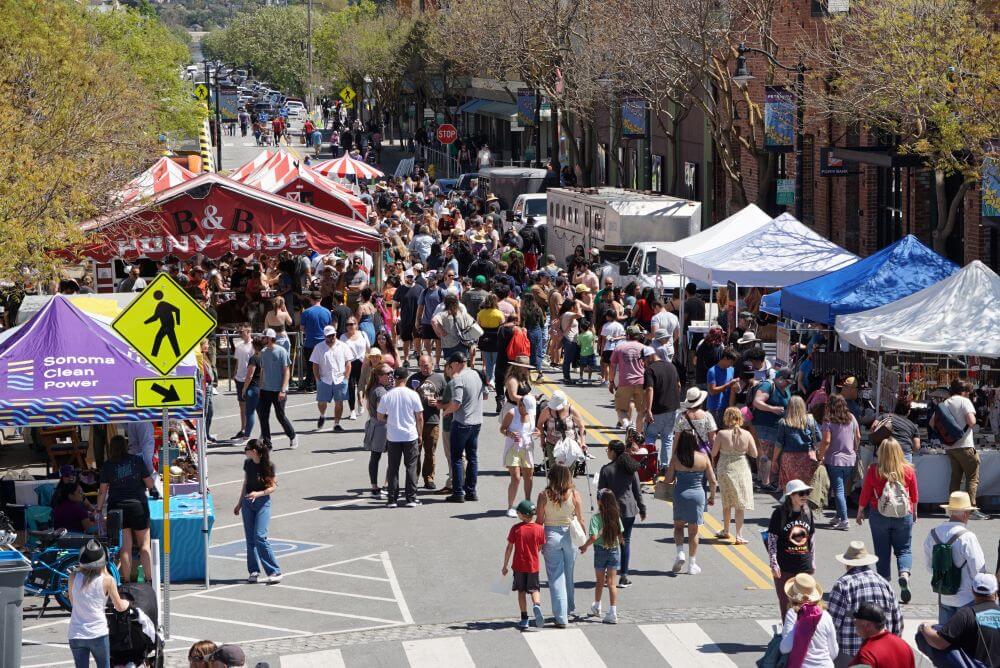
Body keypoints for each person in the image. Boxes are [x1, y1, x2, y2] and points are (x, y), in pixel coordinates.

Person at [856, 438, 919, 602]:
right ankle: (904, 574)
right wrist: (914, 512)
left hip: (879, 514)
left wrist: (861, 510)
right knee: (904, 549)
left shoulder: (874, 470)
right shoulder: (908, 470)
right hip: (903, 514)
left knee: (882, 552)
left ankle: (885, 587)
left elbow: (866, 492)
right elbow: (914, 495)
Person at [827, 541, 904, 668]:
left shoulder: (843, 584)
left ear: (847, 564)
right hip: (882, 652)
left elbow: (831, 624)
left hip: (851, 653)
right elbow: (898, 623)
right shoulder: (884, 583)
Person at [97, 435, 156, 583]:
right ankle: (149, 579)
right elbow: (149, 483)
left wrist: (98, 509)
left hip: (117, 508)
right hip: (137, 505)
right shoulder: (136, 461)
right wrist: (154, 491)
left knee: (125, 548)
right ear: (126, 446)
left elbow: (102, 491)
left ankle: (127, 581)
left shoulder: (107, 465)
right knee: (144, 545)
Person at [923, 491, 988, 624]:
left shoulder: (933, 534)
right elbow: (978, 571)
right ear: (965, 514)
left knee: (945, 637)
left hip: (944, 595)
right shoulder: (967, 537)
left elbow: (930, 567)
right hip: (966, 597)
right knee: (965, 639)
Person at [67, 540, 130, 668]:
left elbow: (73, 602)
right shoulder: (107, 580)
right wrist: (128, 602)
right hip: (97, 633)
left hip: (76, 633)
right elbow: (119, 607)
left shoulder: (73, 576)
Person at [536, 464, 585, 628]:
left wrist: (537, 543)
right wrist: (583, 541)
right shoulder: (574, 494)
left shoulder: (544, 495)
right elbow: (581, 519)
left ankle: (561, 615)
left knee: (555, 577)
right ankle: (569, 608)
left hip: (551, 535)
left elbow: (539, 522)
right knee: (569, 573)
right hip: (570, 536)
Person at [918, 572, 1000, 668]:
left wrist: (924, 628)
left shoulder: (966, 615)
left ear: (973, 591)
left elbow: (940, 643)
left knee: (923, 636)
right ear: (995, 592)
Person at [931, 380, 985, 520]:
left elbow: (932, 423)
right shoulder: (964, 401)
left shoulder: (945, 403)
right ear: (964, 391)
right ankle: (971, 509)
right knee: (972, 478)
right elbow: (972, 422)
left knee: (956, 478)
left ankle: (953, 507)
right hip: (965, 445)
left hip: (950, 447)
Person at [665, 431, 716, 575]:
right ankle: (692, 564)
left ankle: (680, 552)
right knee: (694, 532)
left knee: (678, 526)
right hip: (698, 495)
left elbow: (668, 480)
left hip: (680, 494)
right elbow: (712, 480)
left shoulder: (676, 459)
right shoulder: (703, 457)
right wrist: (711, 496)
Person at [598, 440, 646, 589]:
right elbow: (637, 491)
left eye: (608, 450)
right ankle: (624, 576)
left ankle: (608, 576)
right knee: (625, 541)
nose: (607, 452)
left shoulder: (606, 470)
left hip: (611, 511)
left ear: (613, 451)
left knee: (609, 542)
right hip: (629, 510)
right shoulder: (630, 467)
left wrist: (601, 512)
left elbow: (601, 494)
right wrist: (642, 508)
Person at [234, 440, 281, 584]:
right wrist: (240, 503)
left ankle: (274, 571)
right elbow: (246, 483)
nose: (245, 451)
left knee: (260, 536)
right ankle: (253, 571)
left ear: (254, 451)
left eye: (247, 449)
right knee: (250, 539)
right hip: (248, 503)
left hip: (262, 503)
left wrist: (258, 494)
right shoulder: (248, 464)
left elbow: (272, 487)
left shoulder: (268, 466)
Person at [769, 479, 817, 618]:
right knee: (786, 603)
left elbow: (812, 537)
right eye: (800, 493)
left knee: (805, 602)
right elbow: (772, 539)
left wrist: (813, 560)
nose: (804, 496)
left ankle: (802, 633)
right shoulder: (779, 514)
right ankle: (788, 634)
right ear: (791, 495)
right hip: (785, 566)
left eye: (806, 492)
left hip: (804, 565)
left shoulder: (808, 512)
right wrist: (773, 563)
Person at [441, 352, 485, 503]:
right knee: (472, 457)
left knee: (457, 458)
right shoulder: (476, 374)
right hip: (476, 422)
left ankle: (458, 492)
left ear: (457, 363)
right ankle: (471, 491)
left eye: (451, 365)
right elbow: (484, 395)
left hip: (462, 423)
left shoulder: (458, 379)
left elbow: (456, 403)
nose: (450, 369)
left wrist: (447, 411)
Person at [378, 368, 425, 508]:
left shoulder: (387, 395)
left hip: (393, 437)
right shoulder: (413, 394)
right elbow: (420, 417)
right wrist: (420, 433)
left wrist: (390, 419)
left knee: (393, 468)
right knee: (411, 466)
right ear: (406, 378)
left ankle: (392, 499)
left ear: (395, 378)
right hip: (410, 435)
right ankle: (411, 498)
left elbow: (380, 416)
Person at [711, 406, 757, 544]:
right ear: (740, 418)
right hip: (742, 468)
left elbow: (713, 453)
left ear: (726, 418)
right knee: (739, 504)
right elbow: (754, 454)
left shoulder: (721, 434)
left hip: (725, 468)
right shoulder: (747, 434)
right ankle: (739, 535)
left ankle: (726, 530)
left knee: (727, 502)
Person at [579, 488, 624, 624]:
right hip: (614, 550)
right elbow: (620, 534)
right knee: (612, 583)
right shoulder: (616, 517)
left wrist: (585, 546)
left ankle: (597, 605)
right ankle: (613, 611)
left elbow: (593, 537)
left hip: (600, 551)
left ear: (600, 502)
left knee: (599, 581)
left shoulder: (596, 518)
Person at [501, 499, 546, 631]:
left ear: (522, 515)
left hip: (519, 566)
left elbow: (509, 548)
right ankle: (537, 605)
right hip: (533, 566)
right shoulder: (539, 529)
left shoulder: (516, 529)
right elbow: (541, 546)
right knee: (535, 589)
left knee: (521, 591)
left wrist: (505, 565)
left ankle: (524, 618)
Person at [778, 574, 838, 668]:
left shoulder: (793, 614)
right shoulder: (826, 615)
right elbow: (834, 652)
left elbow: (785, 648)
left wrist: (798, 626)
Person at [821, 394, 861, 530]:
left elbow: (826, 441)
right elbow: (858, 436)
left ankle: (844, 520)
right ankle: (838, 516)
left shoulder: (828, 420)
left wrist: (820, 456)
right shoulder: (851, 417)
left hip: (834, 459)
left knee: (838, 490)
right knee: (841, 488)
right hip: (850, 459)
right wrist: (854, 449)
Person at [407, 355, 446, 489]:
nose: (424, 368)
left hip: (432, 421)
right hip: (414, 422)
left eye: (426, 365)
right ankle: (414, 478)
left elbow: (447, 399)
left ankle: (429, 478)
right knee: (415, 452)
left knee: (430, 452)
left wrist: (438, 402)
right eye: (421, 365)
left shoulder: (440, 379)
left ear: (432, 364)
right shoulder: (413, 379)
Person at [257, 329, 298, 449]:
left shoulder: (281, 351)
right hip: (265, 390)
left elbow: (286, 371)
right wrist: (260, 388)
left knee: (280, 416)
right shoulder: (263, 352)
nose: (262, 339)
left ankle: (293, 436)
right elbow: (263, 370)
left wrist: (283, 390)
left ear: (270, 339)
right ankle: (267, 443)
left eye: (264, 337)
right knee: (263, 416)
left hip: (278, 390)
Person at [754, 367, 794, 491]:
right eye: (787, 382)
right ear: (780, 378)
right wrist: (772, 409)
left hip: (778, 427)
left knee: (773, 455)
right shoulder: (768, 385)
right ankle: (765, 483)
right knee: (767, 455)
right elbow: (757, 402)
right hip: (765, 426)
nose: (788, 385)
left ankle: (770, 481)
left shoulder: (785, 389)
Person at [643, 340, 681, 471]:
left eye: (644, 359)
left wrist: (648, 410)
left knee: (650, 437)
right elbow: (679, 386)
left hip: (657, 410)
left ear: (650, 357)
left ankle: (650, 466)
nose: (643, 362)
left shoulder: (650, 370)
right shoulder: (671, 366)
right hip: (672, 409)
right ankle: (665, 467)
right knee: (667, 438)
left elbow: (649, 389)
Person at [501, 395, 539, 517]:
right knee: (516, 478)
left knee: (529, 476)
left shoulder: (531, 413)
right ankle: (510, 507)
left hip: (527, 448)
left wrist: (537, 432)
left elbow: (536, 429)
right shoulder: (512, 413)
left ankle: (527, 503)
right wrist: (510, 434)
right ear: (521, 405)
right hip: (513, 448)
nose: (528, 411)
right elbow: (502, 429)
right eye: (526, 408)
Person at [773, 395, 820, 491]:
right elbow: (819, 439)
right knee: (805, 486)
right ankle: (803, 504)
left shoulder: (784, 422)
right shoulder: (810, 420)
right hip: (807, 457)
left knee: (790, 486)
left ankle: (790, 504)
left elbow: (779, 443)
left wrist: (774, 460)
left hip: (789, 459)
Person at [310, 325, 350, 433]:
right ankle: (322, 415)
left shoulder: (343, 346)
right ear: (324, 336)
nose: (331, 338)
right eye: (328, 336)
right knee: (322, 402)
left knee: (339, 403)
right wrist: (318, 379)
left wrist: (345, 378)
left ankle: (336, 423)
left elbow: (348, 363)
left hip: (339, 378)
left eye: (332, 335)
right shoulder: (318, 347)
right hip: (325, 379)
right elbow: (315, 364)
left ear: (335, 334)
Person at [850, 602, 914, 667]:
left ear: (867, 625)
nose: (855, 623)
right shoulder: (904, 646)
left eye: (857, 621)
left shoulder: (865, 655)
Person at [363, 364, 394, 499]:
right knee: (391, 457)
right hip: (383, 427)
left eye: (391, 373)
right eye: (387, 374)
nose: (390, 376)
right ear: (379, 376)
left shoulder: (374, 388)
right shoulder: (381, 391)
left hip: (374, 424)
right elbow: (383, 412)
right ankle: (385, 486)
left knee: (375, 457)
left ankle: (374, 486)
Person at [610, 325, 647, 430]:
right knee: (642, 411)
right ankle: (639, 435)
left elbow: (612, 365)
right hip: (641, 381)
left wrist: (611, 381)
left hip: (625, 382)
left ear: (627, 335)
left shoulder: (620, 347)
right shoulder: (643, 348)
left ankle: (627, 426)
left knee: (621, 410)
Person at [538, 390, 587, 469]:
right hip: (552, 444)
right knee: (554, 471)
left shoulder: (571, 410)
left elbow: (581, 426)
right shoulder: (547, 410)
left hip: (570, 445)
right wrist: (542, 439)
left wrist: (583, 442)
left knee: (568, 471)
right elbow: (540, 424)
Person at [299, 292, 332, 392]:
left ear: (311, 299)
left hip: (310, 342)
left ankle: (311, 385)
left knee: (310, 366)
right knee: (323, 365)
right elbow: (330, 328)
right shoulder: (327, 312)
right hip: (323, 343)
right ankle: (321, 384)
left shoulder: (306, 312)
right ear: (321, 299)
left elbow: (302, 328)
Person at [674, 386, 718, 458]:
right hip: (703, 454)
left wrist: (673, 456)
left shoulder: (681, 416)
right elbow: (712, 438)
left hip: (685, 452)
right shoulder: (707, 416)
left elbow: (676, 438)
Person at [341, 316, 371, 421]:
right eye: (347, 324)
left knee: (361, 386)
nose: (349, 326)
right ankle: (352, 411)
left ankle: (360, 402)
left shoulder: (363, 334)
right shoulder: (343, 337)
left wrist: (368, 361)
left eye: (352, 324)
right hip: (349, 364)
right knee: (350, 387)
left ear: (356, 325)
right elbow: (341, 353)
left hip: (362, 363)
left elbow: (368, 349)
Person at [232, 325, 255, 440]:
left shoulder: (253, 346)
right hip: (239, 378)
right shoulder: (239, 346)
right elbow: (237, 362)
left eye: (242, 331)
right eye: (239, 331)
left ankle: (248, 430)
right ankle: (243, 428)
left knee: (250, 406)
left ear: (248, 331)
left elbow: (254, 364)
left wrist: (250, 377)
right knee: (242, 405)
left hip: (248, 379)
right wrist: (235, 374)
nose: (240, 333)